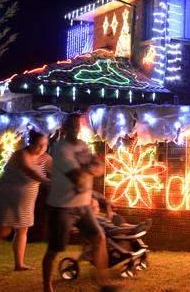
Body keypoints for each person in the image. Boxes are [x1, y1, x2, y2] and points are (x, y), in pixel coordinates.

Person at [41, 113, 114, 292]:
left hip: (82, 205)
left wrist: (89, 167)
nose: (75, 128)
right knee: (55, 249)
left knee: (99, 237)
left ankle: (104, 284)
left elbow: (100, 167)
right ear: (64, 128)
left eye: (77, 125)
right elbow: (78, 178)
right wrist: (91, 167)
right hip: (62, 206)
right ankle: (47, 287)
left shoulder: (82, 146)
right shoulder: (60, 149)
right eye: (71, 125)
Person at [0, 130, 51, 272]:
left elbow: (58, 170)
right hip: (6, 196)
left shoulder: (45, 157)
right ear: (30, 143)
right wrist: (52, 183)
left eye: (45, 145)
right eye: (38, 145)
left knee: (23, 229)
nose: (42, 148)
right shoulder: (21, 155)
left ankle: (19, 264)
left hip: (26, 198)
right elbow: (32, 174)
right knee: (3, 231)